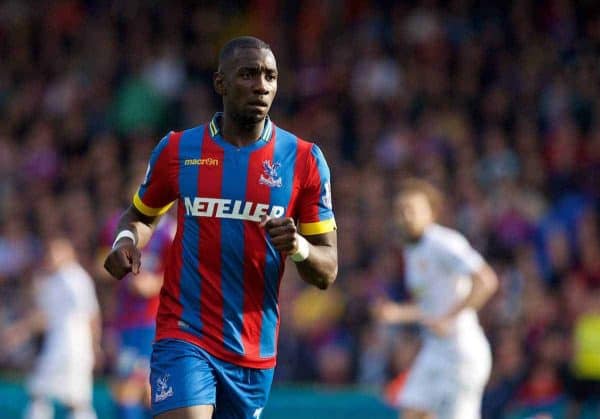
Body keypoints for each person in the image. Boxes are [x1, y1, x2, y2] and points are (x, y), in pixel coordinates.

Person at [103, 36, 338, 419]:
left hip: (252, 349)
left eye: (270, 76)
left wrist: (299, 247)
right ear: (220, 83)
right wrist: (126, 240)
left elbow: (327, 269)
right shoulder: (178, 150)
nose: (262, 85)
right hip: (184, 334)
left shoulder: (305, 160)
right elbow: (140, 215)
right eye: (248, 74)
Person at [373, 178, 498, 419]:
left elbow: (486, 281)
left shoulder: (444, 242)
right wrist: (398, 313)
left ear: (431, 212)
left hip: (462, 351)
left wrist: (449, 319)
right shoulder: (411, 249)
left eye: (412, 209)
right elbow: (430, 307)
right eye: (400, 210)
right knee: (411, 413)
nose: (405, 216)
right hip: (435, 350)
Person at [9, 237, 101, 419]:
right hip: (58, 346)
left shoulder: (77, 279)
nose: (52, 256)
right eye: (50, 252)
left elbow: (91, 315)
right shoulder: (52, 282)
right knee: (63, 399)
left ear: (69, 253)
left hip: (74, 348)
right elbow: (43, 318)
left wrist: (95, 345)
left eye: (57, 252)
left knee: (55, 397)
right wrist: (19, 332)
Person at [99, 211, 176, 419]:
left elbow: (183, 275)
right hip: (125, 324)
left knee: (140, 391)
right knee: (127, 391)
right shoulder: (118, 226)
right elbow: (101, 266)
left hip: (153, 323)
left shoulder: (171, 231)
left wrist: (156, 284)